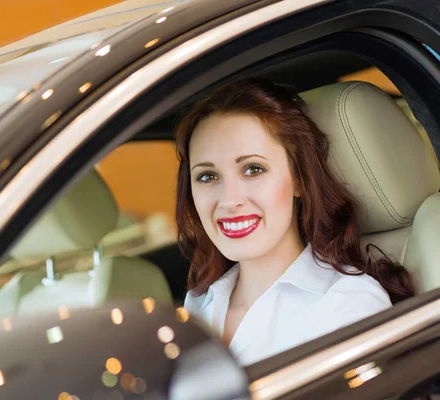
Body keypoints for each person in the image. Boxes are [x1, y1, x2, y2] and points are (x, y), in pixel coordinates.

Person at [175, 77, 415, 366]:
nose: (228, 200)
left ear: (299, 179)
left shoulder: (349, 305)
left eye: (253, 169)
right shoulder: (199, 304)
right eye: (207, 176)